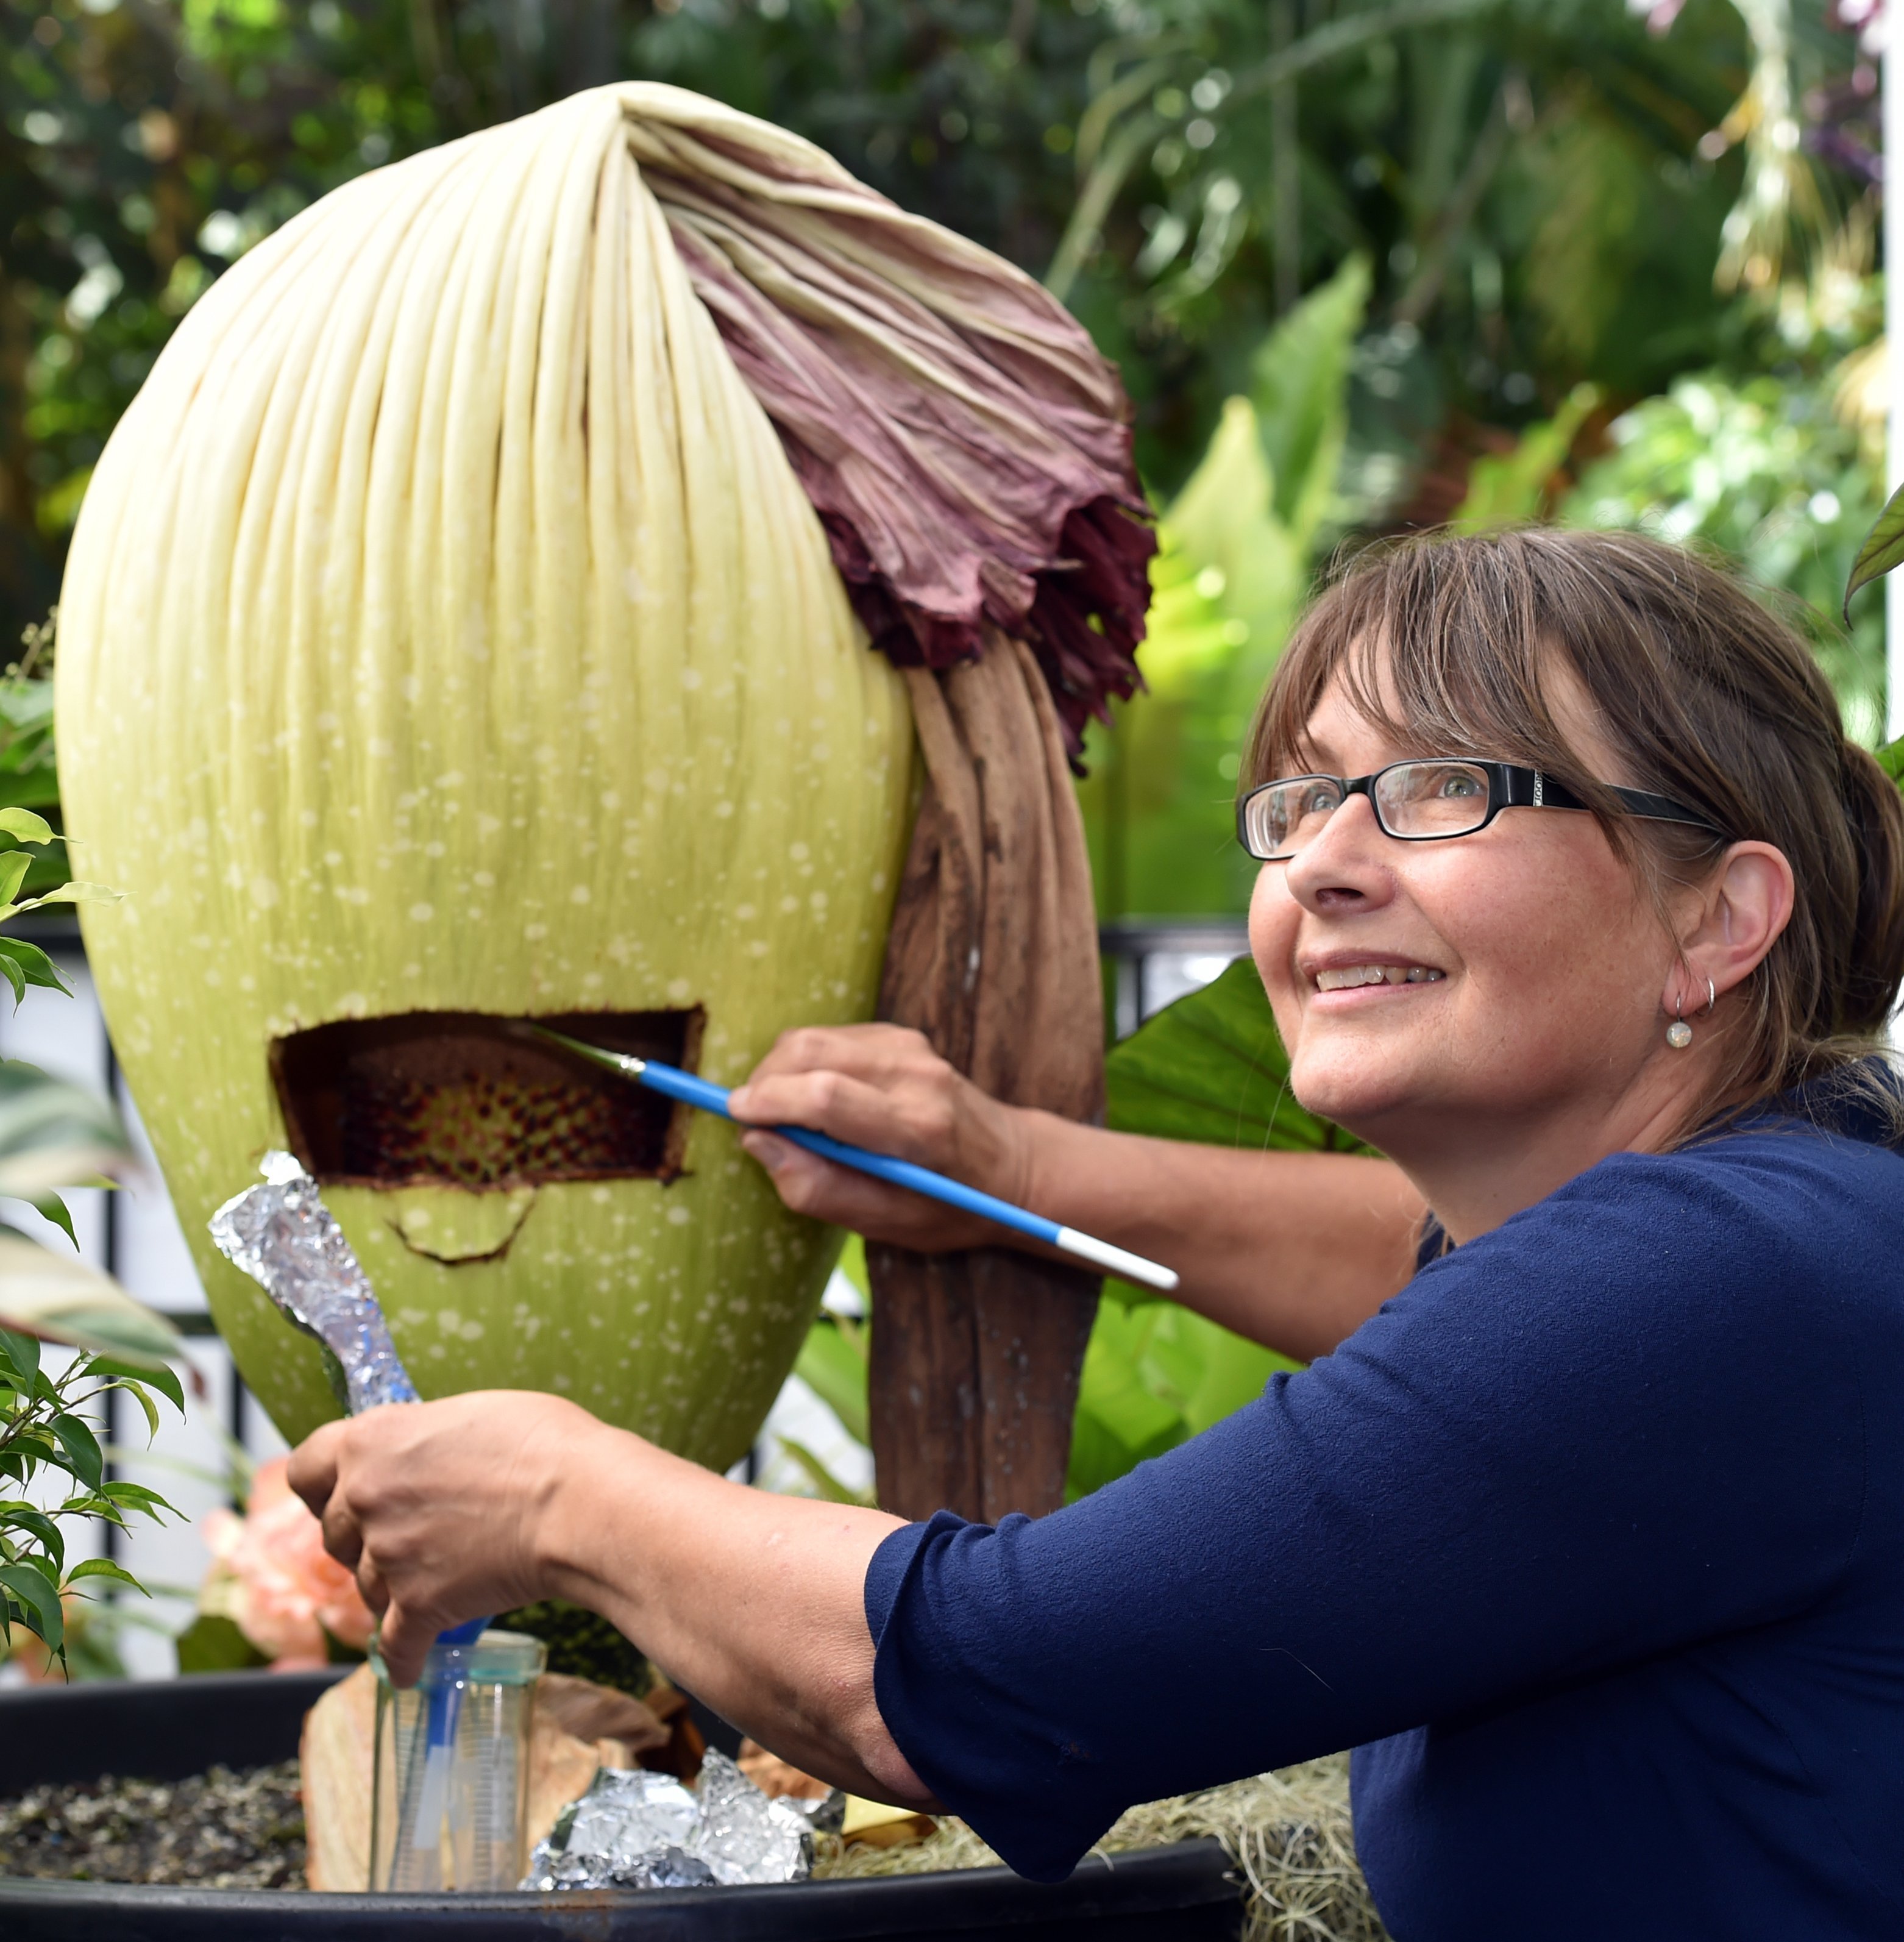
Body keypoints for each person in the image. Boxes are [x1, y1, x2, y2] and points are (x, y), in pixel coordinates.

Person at [289, 529, 1904, 1940]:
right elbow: (1414, 1286)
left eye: (1440, 789)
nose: (1323, 864)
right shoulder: (1798, 1214)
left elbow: (985, 1676)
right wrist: (1006, 1167)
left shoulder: (1706, 1285)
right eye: (1302, 799)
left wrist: (558, 1491)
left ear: (1718, 918)